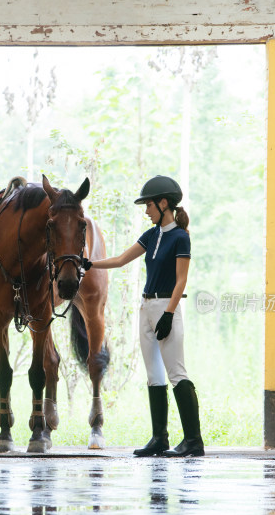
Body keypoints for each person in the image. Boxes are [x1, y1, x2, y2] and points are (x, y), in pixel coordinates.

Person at [82, 175, 204, 458]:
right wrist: (88, 263)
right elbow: (122, 259)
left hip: (165, 307)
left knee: (177, 372)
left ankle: (193, 441)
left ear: (164, 204)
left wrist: (169, 314)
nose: (146, 211)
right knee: (154, 375)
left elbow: (181, 280)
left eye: (148, 205)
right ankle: (159, 438)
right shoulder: (152, 236)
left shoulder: (180, 237)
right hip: (146, 307)